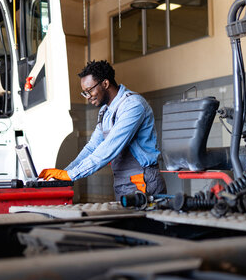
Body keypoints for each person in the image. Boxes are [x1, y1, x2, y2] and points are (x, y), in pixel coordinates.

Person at [39, 60, 166, 200]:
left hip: (143, 181)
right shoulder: (105, 112)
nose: (88, 97)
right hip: (122, 182)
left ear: (105, 84)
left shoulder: (133, 105)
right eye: (84, 93)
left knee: (143, 223)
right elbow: (92, 147)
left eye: (90, 91)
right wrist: (63, 174)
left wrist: (72, 175)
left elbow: (109, 147)